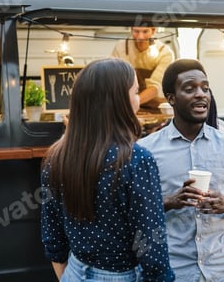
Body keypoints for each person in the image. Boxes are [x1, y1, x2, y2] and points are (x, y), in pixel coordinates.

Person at [40, 58, 175, 282]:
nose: (138, 101)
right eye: (135, 92)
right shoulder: (137, 160)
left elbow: (52, 236)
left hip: (74, 271)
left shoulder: (56, 157)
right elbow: (151, 246)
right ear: (118, 100)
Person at [138, 58, 224, 282]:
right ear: (171, 98)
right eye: (190, 88)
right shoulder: (146, 151)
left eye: (205, 88)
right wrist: (169, 201)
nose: (201, 94)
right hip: (172, 272)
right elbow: (131, 208)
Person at [111, 26, 175, 112]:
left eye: (145, 32)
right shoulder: (121, 47)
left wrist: (132, 103)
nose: (140, 37)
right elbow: (112, 78)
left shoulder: (165, 53)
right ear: (131, 29)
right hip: (126, 103)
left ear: (153, 31)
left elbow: (155, 86)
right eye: (136, 31)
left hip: (155, 106)